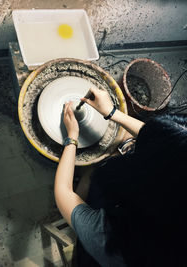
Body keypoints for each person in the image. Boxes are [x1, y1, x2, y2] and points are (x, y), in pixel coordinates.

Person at [54, 87, 187, 267]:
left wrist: (72, 137)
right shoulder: (174, 196)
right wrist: (112, 113)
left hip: (100, 257)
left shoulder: (112, 239)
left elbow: (63, 191)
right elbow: (169, 145)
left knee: (96, 176)